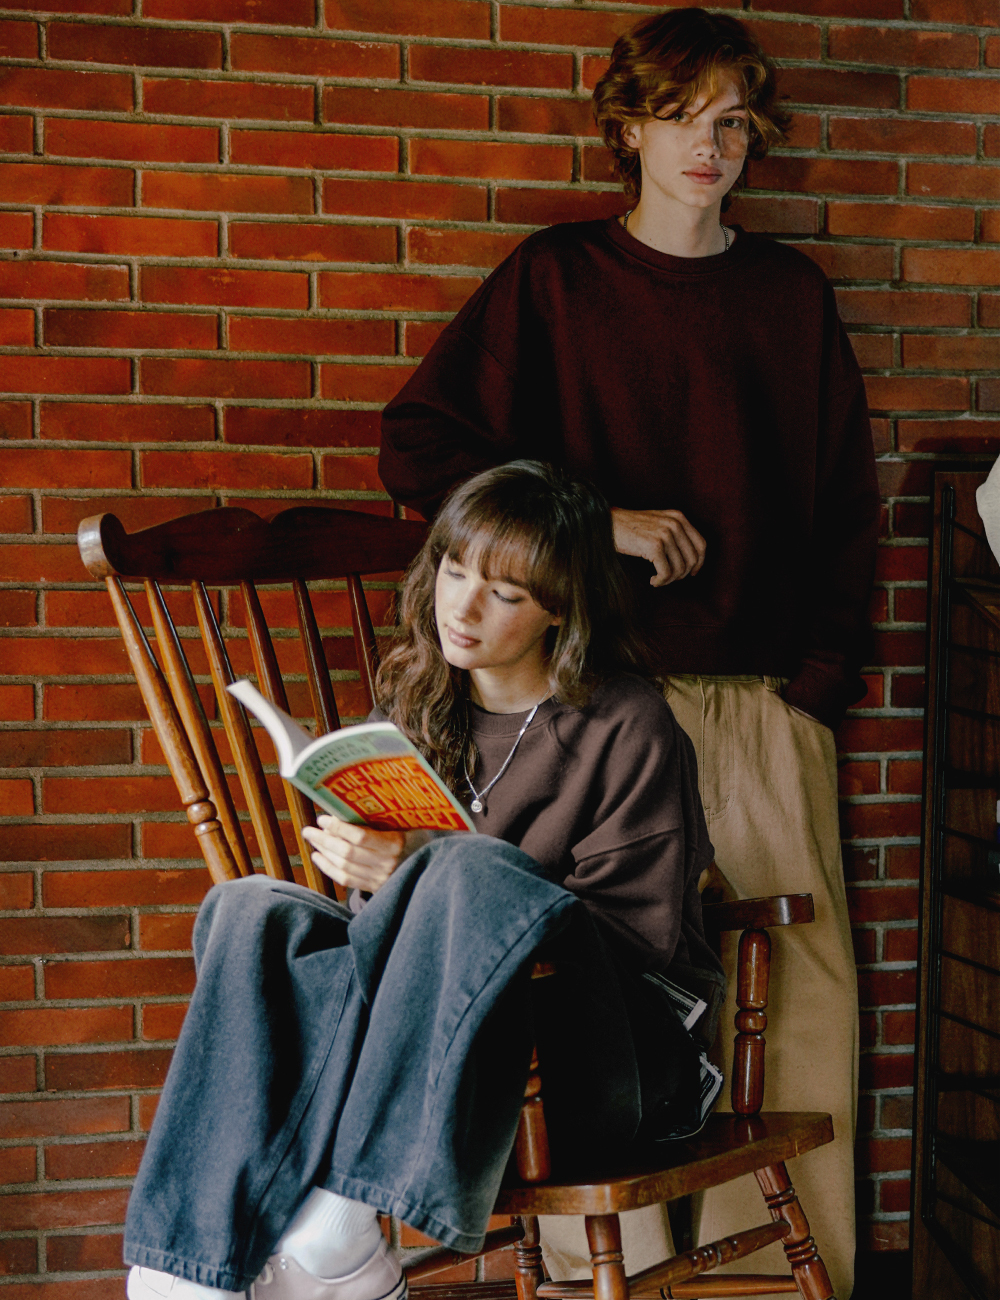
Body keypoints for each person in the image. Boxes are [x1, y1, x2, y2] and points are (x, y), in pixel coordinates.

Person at [378, 11, 880, 1296]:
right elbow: (418, 447)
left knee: (795, 996)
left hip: (760, 704)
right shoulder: (554, 280)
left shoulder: (788, 297)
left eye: (732, 122)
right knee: (590, 991)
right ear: (628, 130)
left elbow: (844, 507)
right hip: (592, 707)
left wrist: (818, 689)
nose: (709, 145)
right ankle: (606, 1281)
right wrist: (592, 521)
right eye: (679, 116)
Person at [124, 461, 724, 1300]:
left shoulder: (628, 722)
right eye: (453, 572)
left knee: (469, 866)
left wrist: (432, 868)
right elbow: (381, 950)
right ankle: (185, 1262)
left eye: (504, 594)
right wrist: (373, 877)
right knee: (254, 906)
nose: (463, 609)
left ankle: (345, 1227)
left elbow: (636, 940)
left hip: (606, 1060)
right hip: (449, 1061)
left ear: (562, 609)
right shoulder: (412, 710)